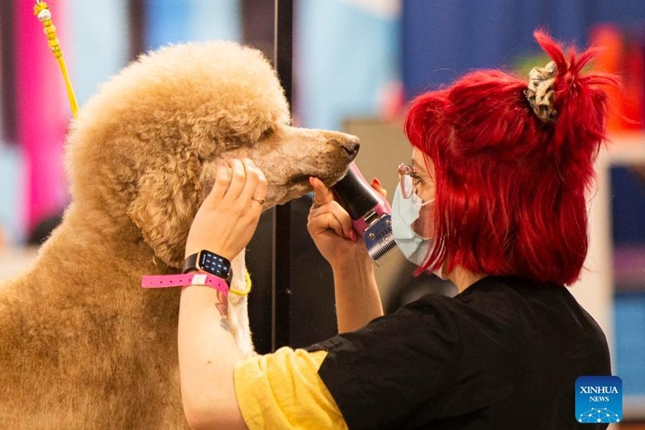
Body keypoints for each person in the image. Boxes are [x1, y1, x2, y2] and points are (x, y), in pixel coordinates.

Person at [177, 31, 614, 430]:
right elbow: (383, 396)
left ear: (469, 206)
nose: (405, 188)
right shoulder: (588, 342)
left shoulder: (441, 341)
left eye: (419, 179)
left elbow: (213, 405)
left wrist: (205, 258)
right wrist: (352, 269)